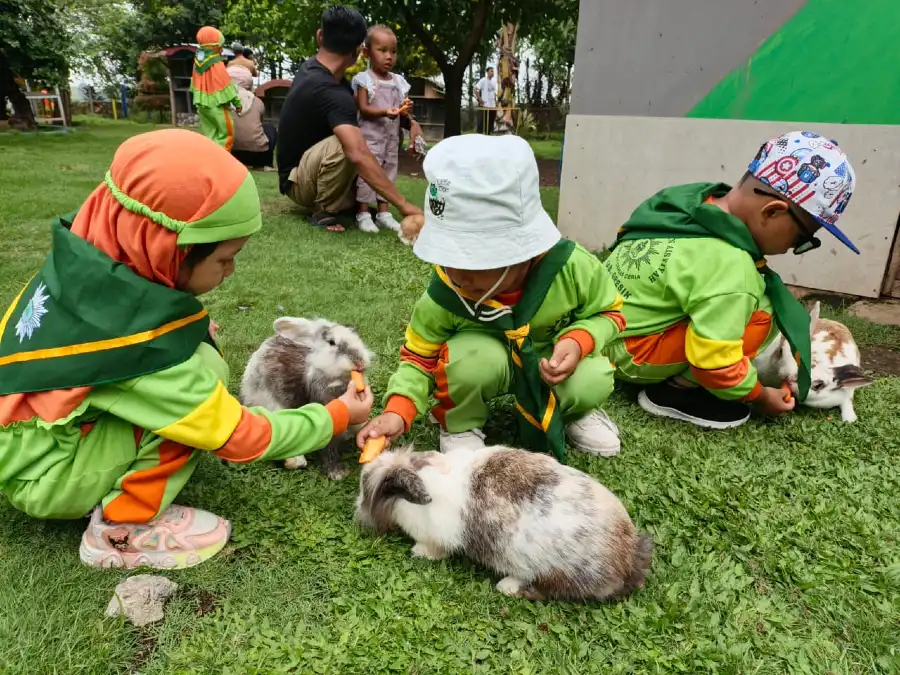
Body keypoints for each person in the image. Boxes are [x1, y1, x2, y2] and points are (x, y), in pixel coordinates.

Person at [0, 129, 374, 570]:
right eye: (224, 259)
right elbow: (236, 436)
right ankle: (121, 528)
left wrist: (187, 332)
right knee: (195, 403)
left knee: (199, 362)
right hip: (47, 477)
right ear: (167, 249)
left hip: (26, 445)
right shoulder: (141, 351)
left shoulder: (83, 272)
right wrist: (334, 416)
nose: (230, 271)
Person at [357, 134, 625, 458]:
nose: (457, 275)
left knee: (591, 377)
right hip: (488, 359)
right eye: (446, 256)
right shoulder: (446, 290)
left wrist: (580, 340)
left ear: (521, 250)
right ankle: (460, 423)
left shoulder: (572, 267)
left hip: (549, 358)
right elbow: (419, 356)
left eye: (472, 259)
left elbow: (610, 313)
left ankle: (574, 411)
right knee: (468, 361)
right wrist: (398, 410)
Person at [602, 130, 858, 429]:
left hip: (594, 332)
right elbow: (715, 360)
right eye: (803, 238)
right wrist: (759, 395)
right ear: (772, 212)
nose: (793, 248)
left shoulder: (683, 203)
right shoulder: (732, 265)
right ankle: (675, 393)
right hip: (629, 356)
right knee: (762, 309)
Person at [277, 5, 423, 232]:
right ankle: (324, 210)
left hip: (304, 173)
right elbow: (358, 154)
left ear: (320, 36)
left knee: (362, 137)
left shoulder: (313, 71)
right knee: (353, 143)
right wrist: (405, 206)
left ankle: (350, 203)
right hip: (299, 182)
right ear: (359, 50)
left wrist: (411, 123)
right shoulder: (330, 90)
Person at [351, 25, 418, 234]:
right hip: (370, 137)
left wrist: (406, 109)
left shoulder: (398, 82)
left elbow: (401, 109)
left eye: (393, 51)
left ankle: (383, 213)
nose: (389, 56)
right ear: (367, 53)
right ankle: (363, 212)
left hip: (391, 138)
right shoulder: (365, 80)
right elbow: (364, 108)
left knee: (389, 171)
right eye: (382, 50)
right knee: (369, 173)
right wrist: (384, 112)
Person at [190, 26, 242, 151]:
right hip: (217, 104)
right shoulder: (216, 62)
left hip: (202, 104)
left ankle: (209, 157)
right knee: (227, 134)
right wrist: (237, 104)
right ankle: (221, 160)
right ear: (213, 45)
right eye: (220, 45)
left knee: (211, 135)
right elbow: (226, 85)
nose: (221, 48)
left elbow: (193, 84)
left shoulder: (198, 61)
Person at [228, 57, 277, 170]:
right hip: (258, 154)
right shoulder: (257, 102)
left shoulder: (222, 101)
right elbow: (259, 123)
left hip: (232, 153)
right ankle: (266, 164)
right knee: (270, 129)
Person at [474, 67, 497, 135]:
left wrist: (496, 101)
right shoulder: (483, 80)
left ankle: (489, 134)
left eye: (493, 71)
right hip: (485, 105)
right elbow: (475, 89)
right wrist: (479, 99)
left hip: (493, 106)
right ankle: (480, 134)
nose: (492, 72)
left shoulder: (494, 81)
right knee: (483, 121)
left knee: (491, 121)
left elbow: (494, 93)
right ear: (487, 72)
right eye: (491, 71)